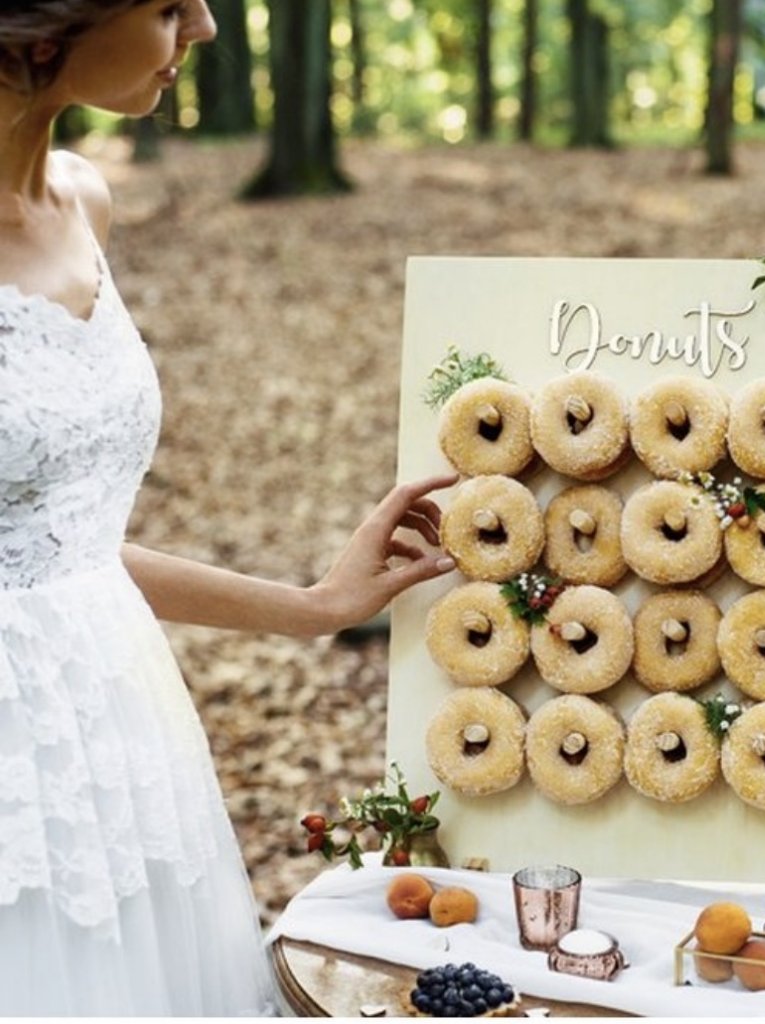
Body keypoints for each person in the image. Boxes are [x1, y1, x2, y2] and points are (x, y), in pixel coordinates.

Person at [0, 0, 457, 1014]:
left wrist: (314, 604)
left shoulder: (85, 199)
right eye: (167, 5)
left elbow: (61, 554)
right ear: (43, 30)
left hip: (128, 738)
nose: (204, 25)